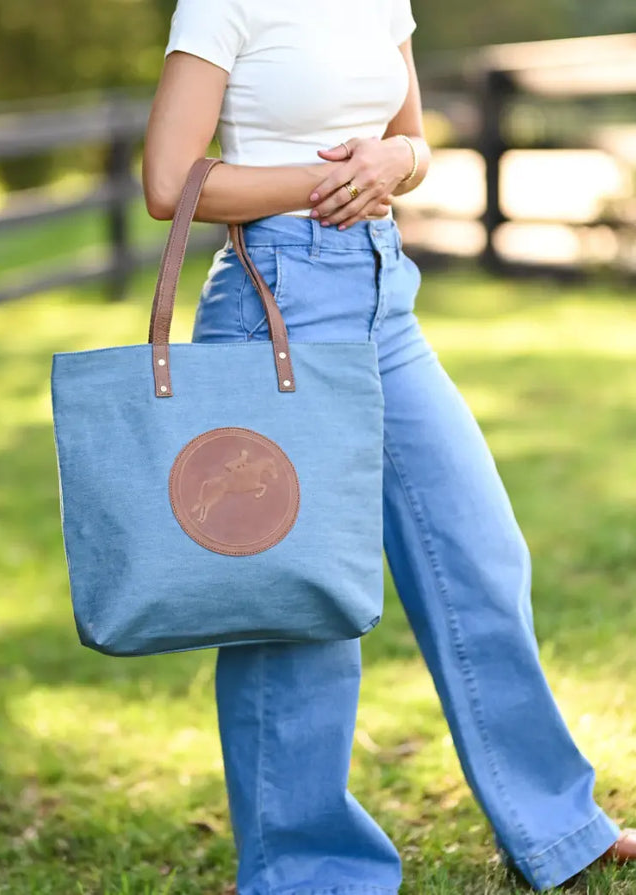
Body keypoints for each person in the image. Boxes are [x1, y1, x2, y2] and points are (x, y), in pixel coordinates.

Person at [141, 1, 635, 891]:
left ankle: (558, 827)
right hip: (273, 300)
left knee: (478, 551)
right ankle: (307, 874)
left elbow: (413, 141)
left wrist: (396, 161)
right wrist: (323, 182)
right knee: (299, 607)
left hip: (380, 291)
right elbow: (170, 184)